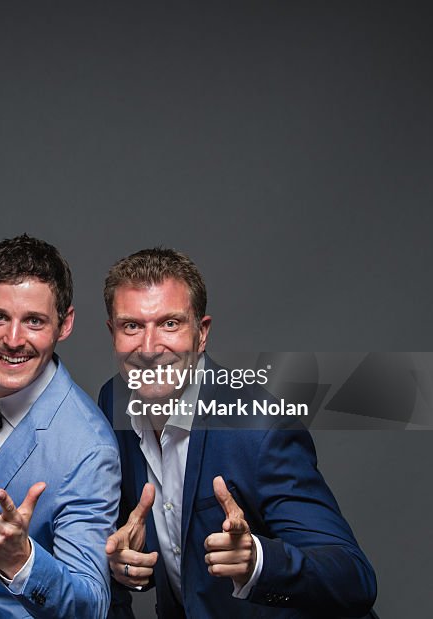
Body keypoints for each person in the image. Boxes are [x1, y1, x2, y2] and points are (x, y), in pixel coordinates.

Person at [98, 248, 377, 618]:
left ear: (201, 334)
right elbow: (170, 548)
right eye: (132, 326)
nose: (149, 349)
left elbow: (355, 578)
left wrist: (258, 561)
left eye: (170, 324)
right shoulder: (113, 401)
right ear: (113, 332)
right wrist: (125, 566)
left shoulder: (258, 426)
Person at [0, 235, 120, 618]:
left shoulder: (88, 448)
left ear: (64, 324)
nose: (14, 340)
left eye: (34, 321)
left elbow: (93, 605)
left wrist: (23, 561)